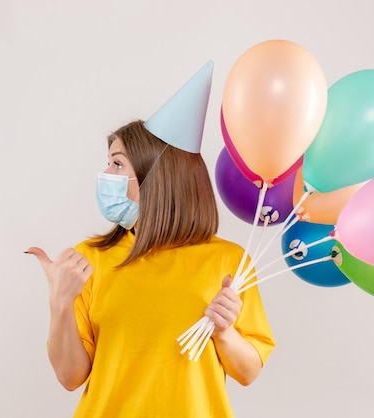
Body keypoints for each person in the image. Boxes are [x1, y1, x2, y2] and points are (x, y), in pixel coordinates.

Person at [26, 61, 275, 417]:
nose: (105, 174)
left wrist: (224, 331)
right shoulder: (88, 261)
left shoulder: (230, 263)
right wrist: (60, 305)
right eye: (107, 163)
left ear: (155, 176)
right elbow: (69, 378)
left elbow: (249, 372)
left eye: (116, 164)